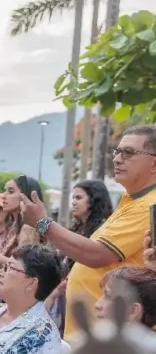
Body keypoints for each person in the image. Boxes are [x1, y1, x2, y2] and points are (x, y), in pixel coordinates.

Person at [22, 125, 156, 337]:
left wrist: (42, 223)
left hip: (113, 340)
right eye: (117, 151)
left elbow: (97, 254)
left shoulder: (149, 204)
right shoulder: (131, 201)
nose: (118, 159)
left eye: (129, 153)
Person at [44, 179, 114, 331]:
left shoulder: (103, 229)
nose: (74, 203)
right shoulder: (78, 228)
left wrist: (54, 294)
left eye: (79, 198)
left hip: (89, 296)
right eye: (73, 198)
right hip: (68, 294)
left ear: (94, 200)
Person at [0, 174, 43, 310]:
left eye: (10, 191)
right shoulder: (14, 227)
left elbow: (23, 266)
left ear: (25, 195)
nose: (3, 196)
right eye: (5, 190)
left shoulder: (29, 227)